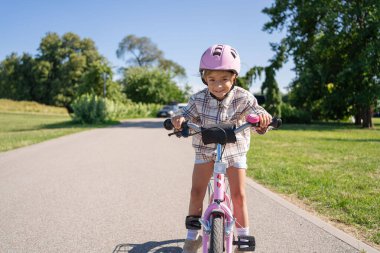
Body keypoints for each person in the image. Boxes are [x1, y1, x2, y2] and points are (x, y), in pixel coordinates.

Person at [171, 44, 272, 253]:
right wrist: (179, 120)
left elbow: (258, 111)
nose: (218, 85)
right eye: (212, 80)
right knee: (197, 191)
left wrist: (262, 119)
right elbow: (185, 114)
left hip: (235, 152)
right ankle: (192, 237)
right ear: (204, 79)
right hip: (205, 150)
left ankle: (243, 241)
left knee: (238, 195)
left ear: (234, 78)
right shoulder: (198, 99)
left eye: (224, 79)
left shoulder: (243, 97)